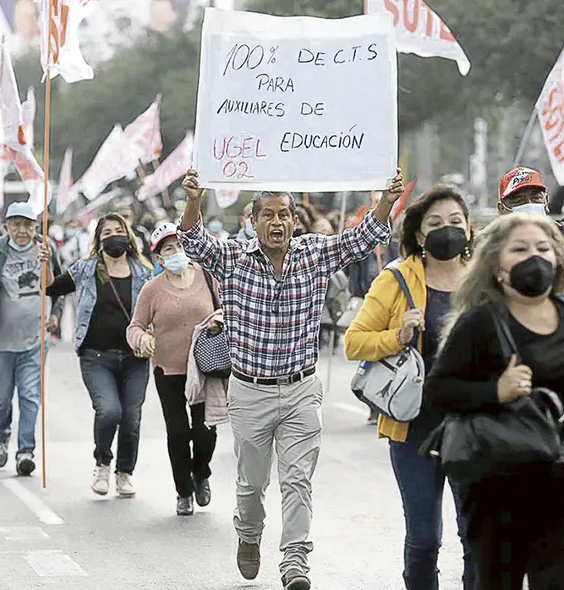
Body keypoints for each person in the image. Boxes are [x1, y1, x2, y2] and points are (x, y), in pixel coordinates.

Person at [179, 167, 404, 590]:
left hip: (301, 389)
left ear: (294, 221)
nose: (276, 221)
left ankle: (295, 560)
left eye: (283, 214)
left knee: (298, 480)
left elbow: (363, 237)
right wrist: (194, 199)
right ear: (253, 221)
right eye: (267, 214)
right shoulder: (232, 258)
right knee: (251, 485)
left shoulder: (314, 253)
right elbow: (192, 240)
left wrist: (387, 201)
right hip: (250, 391)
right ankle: (249, 534)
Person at [425, 213, 564, 590]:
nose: (534, 257)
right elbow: (437, 392)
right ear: (496, 266)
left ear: (558, 258)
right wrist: (495, 392)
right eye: (519, 249)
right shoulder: (481, 322)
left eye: (543, 248)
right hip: (498, 484)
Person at [345, 185, 476, 590]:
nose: (447, 229)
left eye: (455, 221)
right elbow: (354, 342)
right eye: (435, 223)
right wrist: (398, 336)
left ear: (469, 228)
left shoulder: (485, 280)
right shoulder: (397, 279)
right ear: (419, 234)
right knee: (424, 539)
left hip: (474, 426)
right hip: (415, 428)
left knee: (477, 536)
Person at [45, 213, 152, 497]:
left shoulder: (144, 271)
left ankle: (125, 473)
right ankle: (103, 463)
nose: (114, 236)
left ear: (128, 235)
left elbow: (158, 308)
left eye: (119, 230)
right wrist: (46, 263)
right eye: (107, 233)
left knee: (131, 417)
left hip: (135, 359)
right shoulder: (86, 268)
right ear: (98, 239)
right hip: (96, 357)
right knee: (109, 411)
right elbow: (51, 288)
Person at [0, 202, 64, 476]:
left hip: (34, 339)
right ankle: (1, 436)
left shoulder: (45, 248)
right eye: (16, 225)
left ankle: (25, 452)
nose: (22, 231)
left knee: (30, 396)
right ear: (6, 226)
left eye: (28, 225)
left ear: (36, 226)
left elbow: (58, 285)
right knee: (1, 396)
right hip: (0, 341)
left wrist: (56, 313)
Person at [126, 222, 218, 515]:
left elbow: (227, 309)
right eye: (168, 249)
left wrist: (219, 322)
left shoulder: (207, 276)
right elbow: (135, 326)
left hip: (205, 368)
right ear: (158, 257)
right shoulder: (152, 290)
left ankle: (201, 473)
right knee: (178, 433)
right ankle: (184, 492)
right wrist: (142, 339)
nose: (176, 252)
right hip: (168, 371)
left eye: (179, 245)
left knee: (205, 431)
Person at [497, 167, 564, 328]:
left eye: (536, 198)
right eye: (518, 201)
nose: (529, 205)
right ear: (501, 209)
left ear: (546, 201)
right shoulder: (489, 250)